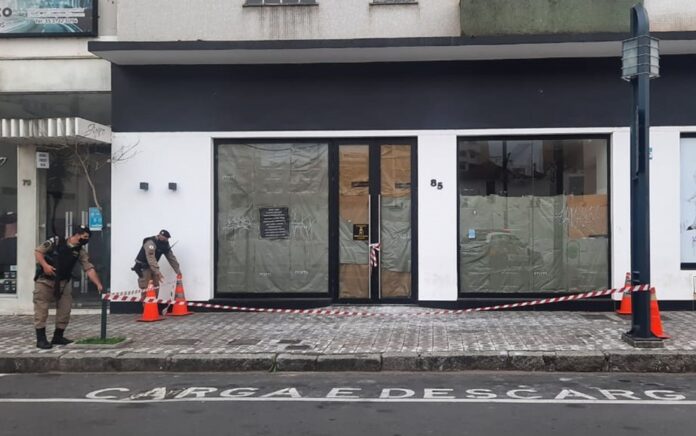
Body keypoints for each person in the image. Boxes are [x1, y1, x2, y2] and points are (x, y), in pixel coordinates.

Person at [33, 225, 104, 349]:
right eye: (85, 236)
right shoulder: (55, 241)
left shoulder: (80, 251)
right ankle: (41, 339)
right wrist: (45, 266)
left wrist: (98, 284)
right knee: (41, 310)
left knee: (65, 310)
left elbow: (88, 268)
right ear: (77, 234)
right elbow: (38, 251)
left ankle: (58, 336)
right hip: (45, 281)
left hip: (63, 283)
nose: (86, 239)